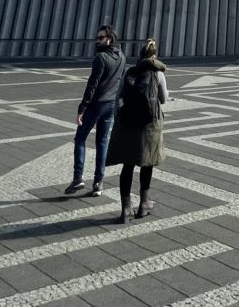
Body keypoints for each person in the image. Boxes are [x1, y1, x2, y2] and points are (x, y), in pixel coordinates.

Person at [105, 37, 168, 224]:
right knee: (147, 163)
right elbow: (163, 99)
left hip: (129, 124)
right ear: (154, 56)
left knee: (128, 165)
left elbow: (119, 96)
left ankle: (125, 209)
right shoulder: (158, 74)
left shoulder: (130, 72)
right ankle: (144, 203)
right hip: (149, 125)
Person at [64, 25, 125, 197]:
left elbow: (92, 85)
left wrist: (82, 108)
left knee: (80, 139)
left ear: (109, 38)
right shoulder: (121, 56)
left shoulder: (101, 58)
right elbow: (121, 82)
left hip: (97, 105)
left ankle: (78, 178)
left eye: (101, 38)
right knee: (102, 143)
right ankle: (99, 182)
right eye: (97, 38)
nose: (97, 41)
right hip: (110, 105)